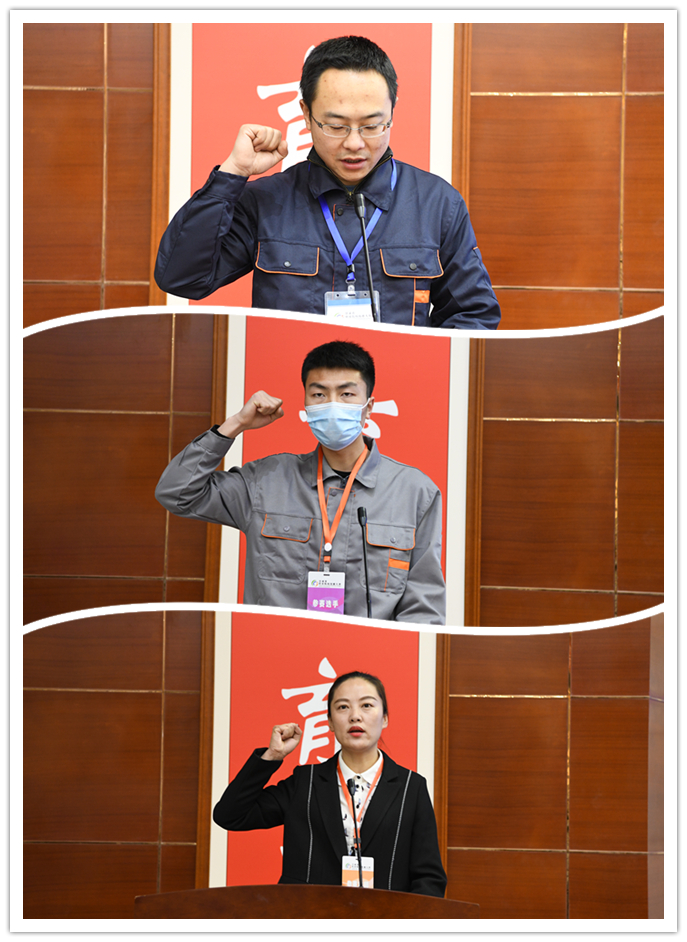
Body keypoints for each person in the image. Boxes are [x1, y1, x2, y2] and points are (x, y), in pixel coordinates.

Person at [154, 35, 501, 330]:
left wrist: (415, 366)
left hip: (392, 385)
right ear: (306, 114)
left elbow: (474, 314)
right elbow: (182, 279)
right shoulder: (265, 201)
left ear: (392, 112)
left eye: (372, 125)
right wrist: (232, 173)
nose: (354, 143)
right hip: (292, 384)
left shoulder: (437, 203)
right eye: (336, 126)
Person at [155, 340, 445, 624]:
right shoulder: (265, 480)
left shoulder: (416, 492)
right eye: (319, 394)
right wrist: (234, 425)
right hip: (277, 647)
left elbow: (423, 609)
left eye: (346, 394)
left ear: (368, 407)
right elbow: (177, 493)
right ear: (305, 405)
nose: (332, 405)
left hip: (366, 649)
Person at [213, 671, 448, 897]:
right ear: (330, 722)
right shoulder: (305, 782)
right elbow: (230, 816)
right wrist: (272, 756)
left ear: (384, 718)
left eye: (366, 705)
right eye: (343, 707)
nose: (355, 716)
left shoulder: (411, 788)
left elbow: (429, 877)